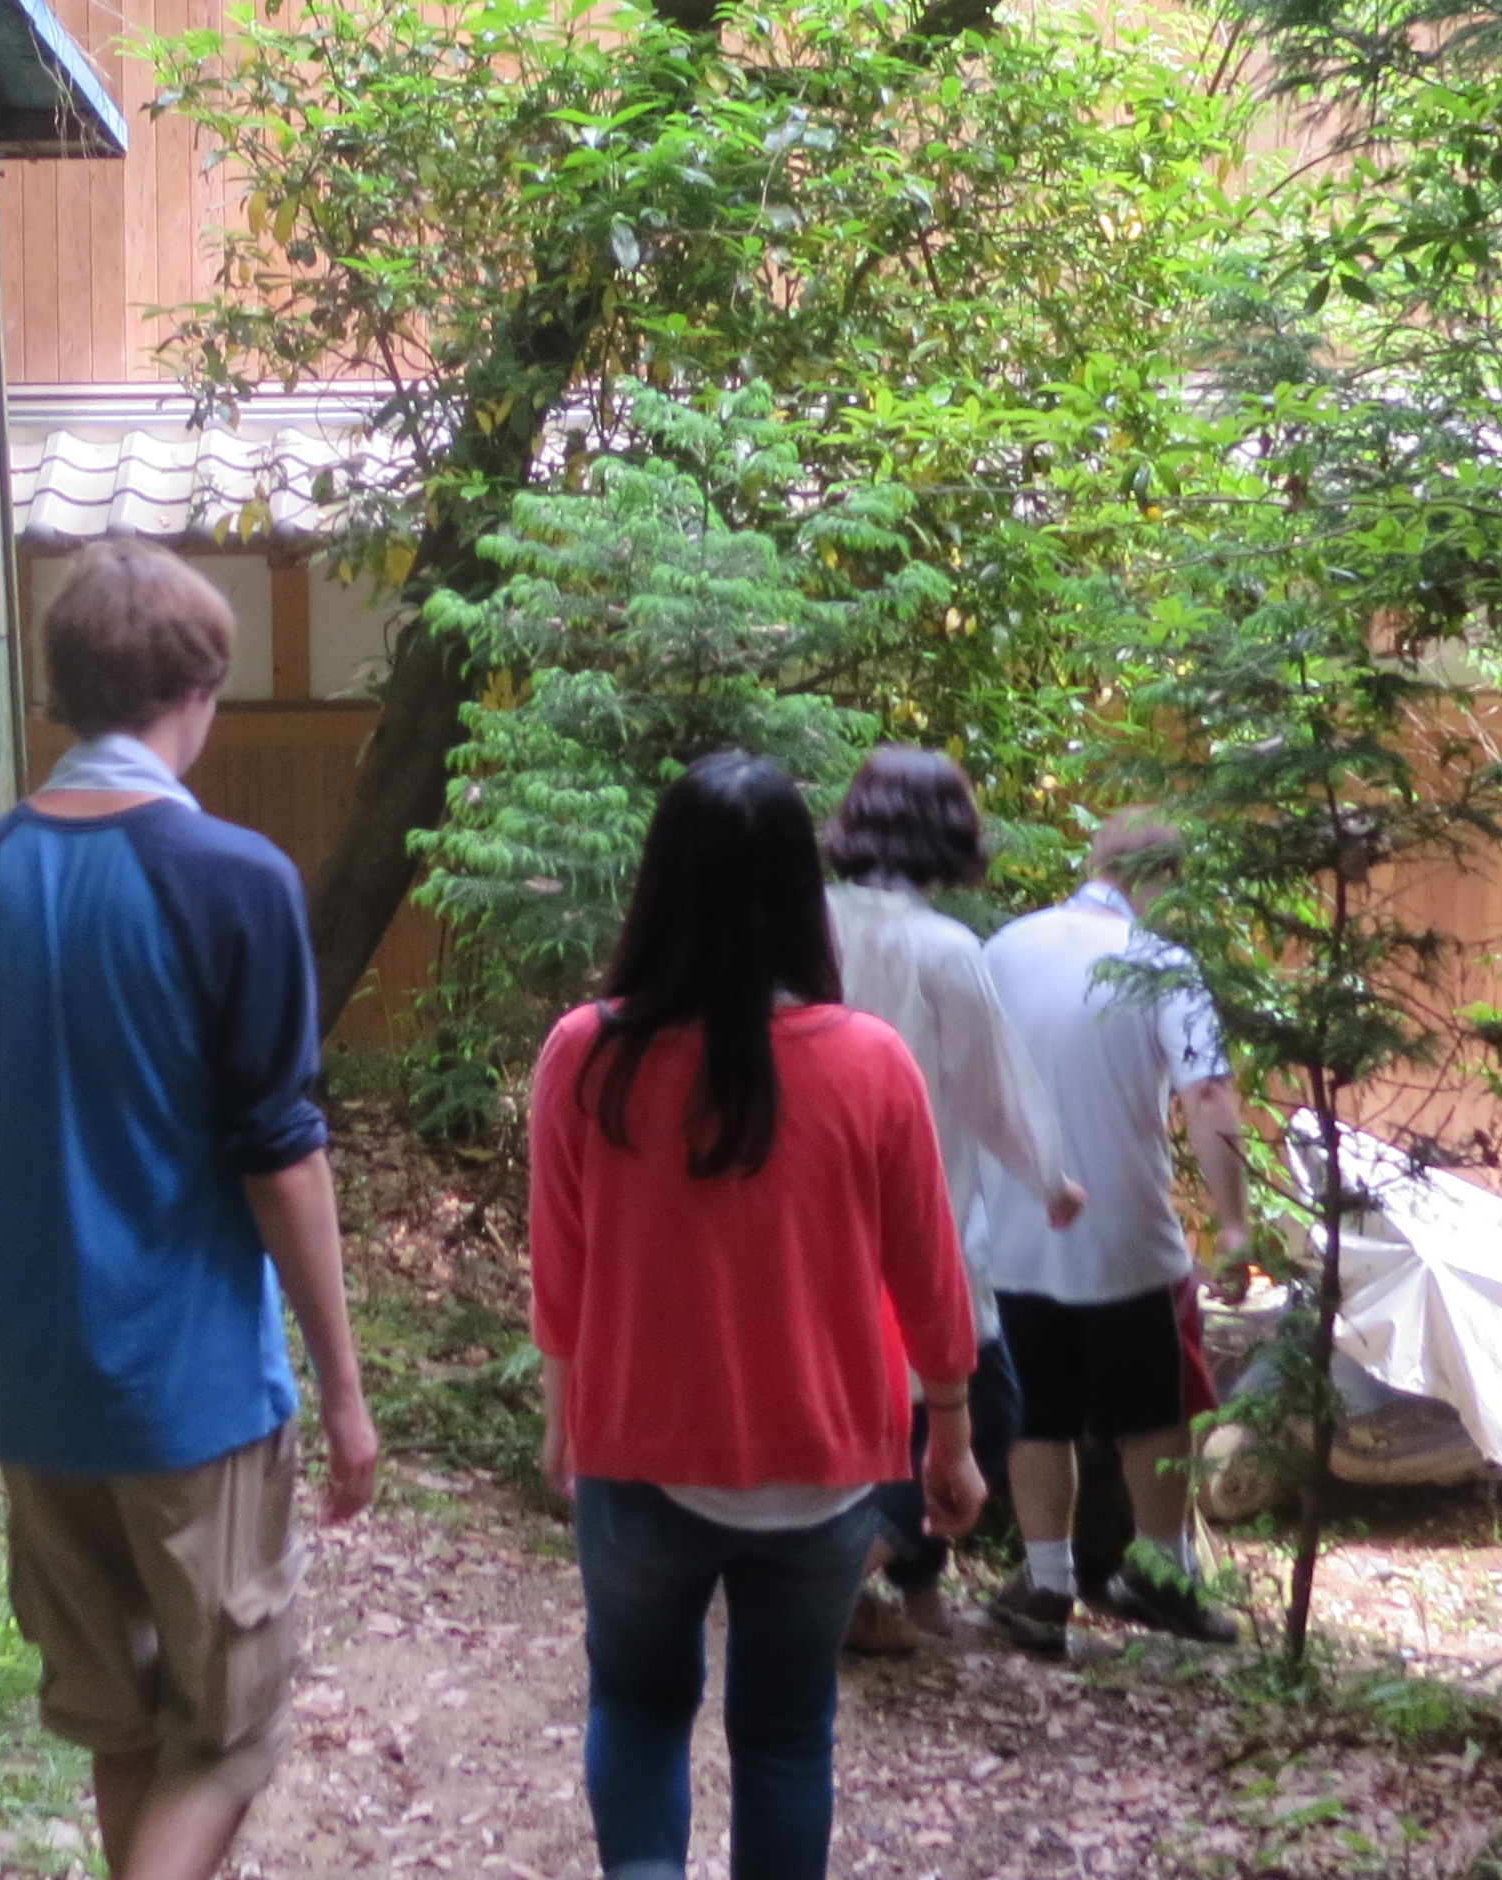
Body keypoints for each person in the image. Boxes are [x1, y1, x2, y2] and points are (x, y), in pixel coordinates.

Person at [0, 541, 380, 1880]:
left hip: (33, 1391)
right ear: (199, 691)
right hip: (190, 1397)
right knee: (225, 1739)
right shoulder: (232, 879)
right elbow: (280, 1159)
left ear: (61, 694)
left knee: (120, 1721)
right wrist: (345, 1393)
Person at [529, 751, 983, 1880]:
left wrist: (562, 1421)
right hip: (823, 1472)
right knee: (784, 1735)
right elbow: (931, 1278)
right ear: (798, 891)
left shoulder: (587, 1056)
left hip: (638, 1459)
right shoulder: (870, 1064)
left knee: (638, 1706)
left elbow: (561, 1271)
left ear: (658, 884)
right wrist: (952, 1440)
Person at [817, 745, 1087, 1655]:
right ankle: (830, 1581)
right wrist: (1050, 1180)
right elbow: (996, 1088)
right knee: (985, 1404)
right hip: (915, 1222)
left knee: (859, 1411)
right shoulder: (944, 951)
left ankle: (883, 1588)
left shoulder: (803, 925)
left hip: (802, 1215)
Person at [974, 807, 1254, 1652]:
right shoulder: (1161, 963)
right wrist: (1233, 1225)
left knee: (1037, 1411)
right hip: (1128, 1235)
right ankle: (1162, 1572)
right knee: (1154, 1407)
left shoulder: (1002, 950)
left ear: (1094, 862)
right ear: (1161, 880)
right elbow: (1208, 1094)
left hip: (1014, 1228)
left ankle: (1047, 1583)